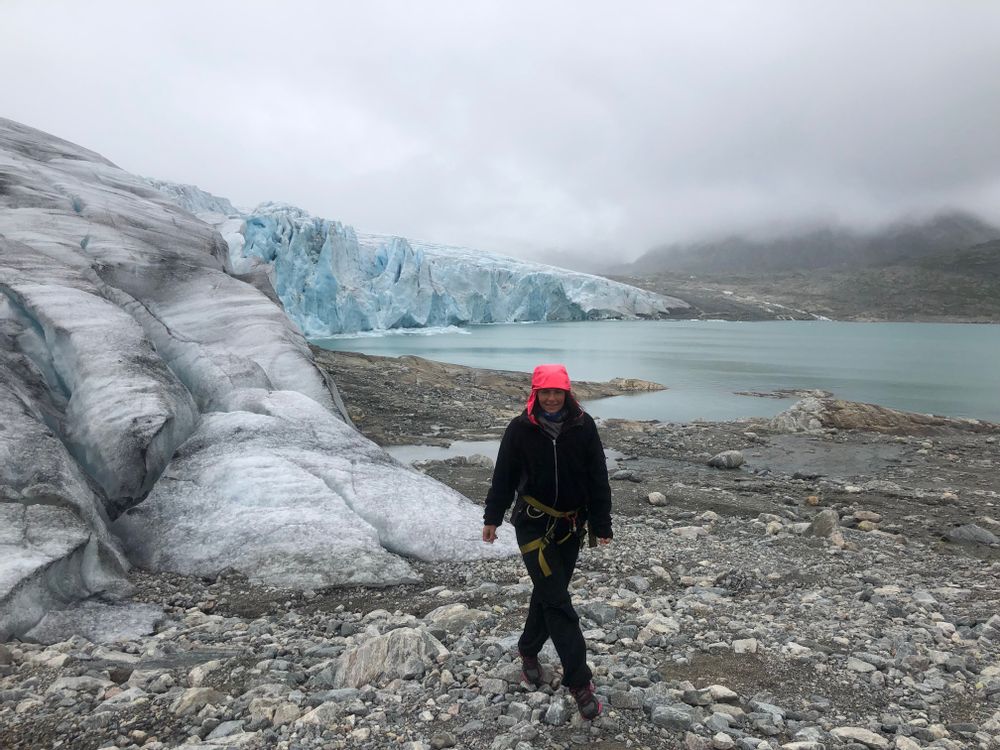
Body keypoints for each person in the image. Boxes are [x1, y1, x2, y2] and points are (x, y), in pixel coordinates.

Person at [482, 363, 613, 720]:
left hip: (571, 527)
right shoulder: (520, 429)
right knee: (557, 600)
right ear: (535, 394)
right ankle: (579, 683)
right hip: (533, 526)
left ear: (567, 393)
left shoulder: (583, 427)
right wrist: (492, 517)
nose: (552, 398)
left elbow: (598, 475)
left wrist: (602, 522)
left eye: (558, 392)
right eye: (546, 392)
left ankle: (527, 650)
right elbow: (504, 476)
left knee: (547, 592)